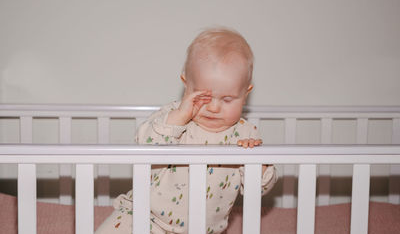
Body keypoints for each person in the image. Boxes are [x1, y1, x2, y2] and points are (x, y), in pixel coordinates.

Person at [95, 27, 277, 234]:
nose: (214, 107)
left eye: (227, 99)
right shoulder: (175, 116)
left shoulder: (245, 135)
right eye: (204, 97)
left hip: (201, 229)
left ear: (245, 94)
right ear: (186, 85)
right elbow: (144, 144)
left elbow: (258, 189)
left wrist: (259, 162)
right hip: (145, 217)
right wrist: (179, 118)